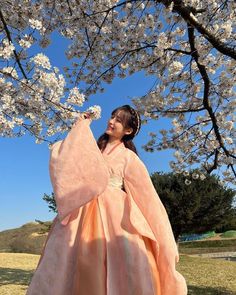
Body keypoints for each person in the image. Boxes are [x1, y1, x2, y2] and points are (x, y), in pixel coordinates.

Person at [26, 104, 187, 295]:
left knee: (121, 263)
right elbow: (69, 160)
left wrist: (164, 238)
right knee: (66, 262)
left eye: (118, 120)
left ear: (128, 130)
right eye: (112, 116)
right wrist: (81, 125)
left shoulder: (129, 158)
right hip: (82, 210)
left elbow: (148, 198)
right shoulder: (93, 150)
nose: (111, 121)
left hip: (116, 217)